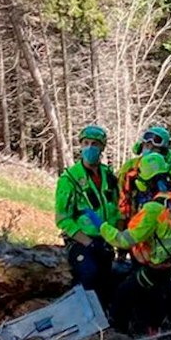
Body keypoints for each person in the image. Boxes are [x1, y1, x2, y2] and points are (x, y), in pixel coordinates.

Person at [104, 151, 171, 336]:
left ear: (145, 181)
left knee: (123, 294)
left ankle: (117, 336)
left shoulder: (153, 209)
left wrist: (102, 227)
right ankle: (154, 333)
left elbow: (125, 240)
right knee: (153, 305)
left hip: (156, 269)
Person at [54, 124, 123, 301]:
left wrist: (120, 239)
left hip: (106, 239)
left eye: (95, 143)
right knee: (88, 275)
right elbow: (63, 218)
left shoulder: (108, 176)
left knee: (106, 283)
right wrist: (88, 242)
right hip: (81, 240)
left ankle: (104, 323)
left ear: (102, 147)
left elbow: (116, 208)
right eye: (86, 143)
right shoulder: (70, 179)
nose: (90, 147)